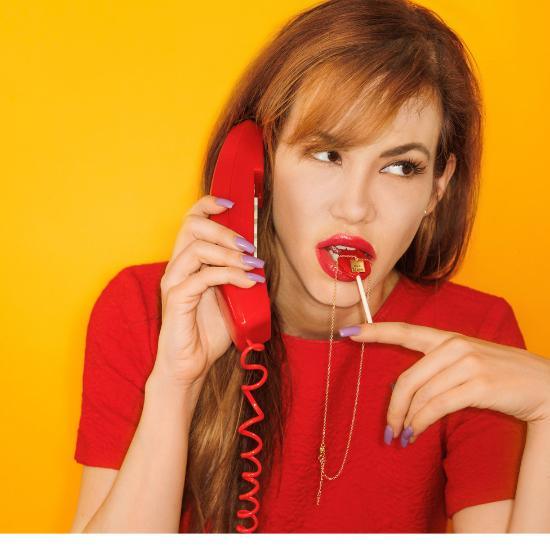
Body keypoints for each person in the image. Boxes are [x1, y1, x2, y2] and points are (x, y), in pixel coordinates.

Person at [70, 0, 550, 534]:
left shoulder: (470, 341)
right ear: (260, 159)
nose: (355, 206)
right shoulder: (148, 307)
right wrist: (176, 385)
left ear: (437, 186)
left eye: (400, 166)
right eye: (327, 154)